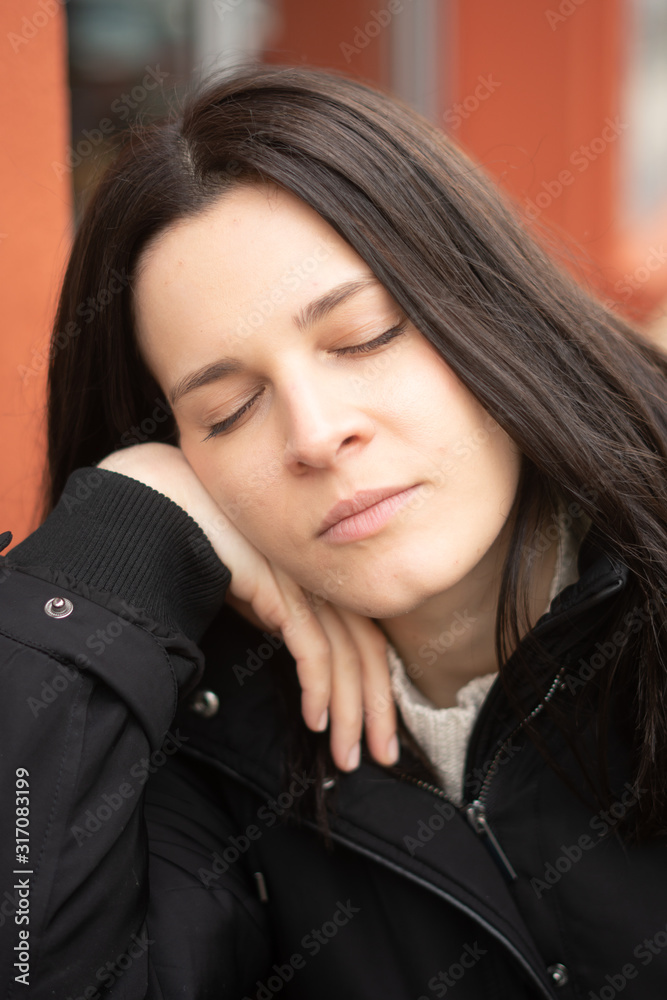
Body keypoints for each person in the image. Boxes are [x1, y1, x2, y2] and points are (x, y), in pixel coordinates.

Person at [1, 63, 666, 1000]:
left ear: (492, 306)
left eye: (364, 337)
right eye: (229, 411)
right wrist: (120, 545)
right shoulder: (198, 730)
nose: (315, 435)